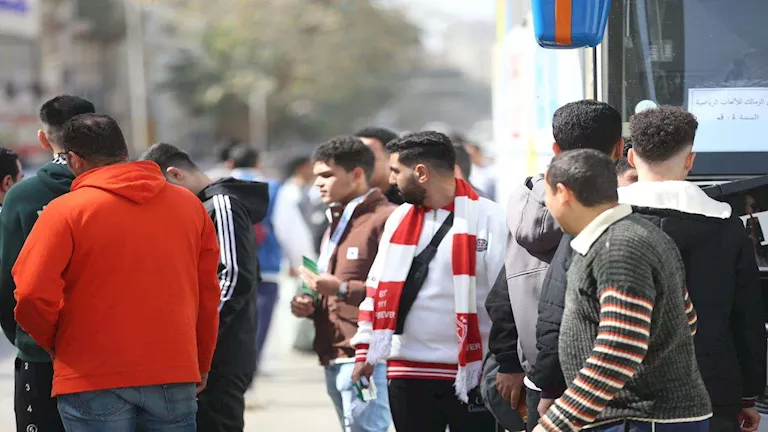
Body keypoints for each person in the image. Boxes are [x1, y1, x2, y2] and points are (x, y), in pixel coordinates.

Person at [12, 114, 221, 431]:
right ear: (123, 151)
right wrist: (201, 360)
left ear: (74, 160)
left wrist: (55, 342)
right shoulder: (190, 207)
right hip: (173, 371)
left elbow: (30, 293)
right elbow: (207, 294)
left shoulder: (65, 211)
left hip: (90, 373)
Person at [534, 149, 712, 432]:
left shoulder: (617, 246)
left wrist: (554, 425)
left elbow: (620, 348)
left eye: (547, 194)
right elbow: (686, 319)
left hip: (641, 419)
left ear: (563, 193)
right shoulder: (635, 234)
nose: (547, 203)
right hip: (641, 417)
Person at [350, 131, 508, 432]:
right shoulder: (399, 219)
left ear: (421, 173)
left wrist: (508, 363)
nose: (391, 180)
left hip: (471, 372)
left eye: (396, 171)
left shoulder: (490, 217)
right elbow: (376, 288)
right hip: (406, 370)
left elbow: (505, 301)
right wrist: (365, 350)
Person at [621, 106, 766, 432]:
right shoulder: (727, 227)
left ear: (631, 158)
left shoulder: (596, 220)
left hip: (616, 395)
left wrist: (551, 387)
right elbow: (747, 318)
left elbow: (561, 307)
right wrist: (748, 394)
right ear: (690, 161)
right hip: (709, 393)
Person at [485, 100, 624, 430]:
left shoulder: (523, 205)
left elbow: (502, 294)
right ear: (620, 149)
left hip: (536, 376)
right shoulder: (619, 210)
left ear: (556, 149)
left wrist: (508, 361)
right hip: (605, 382)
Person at [141, 142, 269, 432]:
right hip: (213, 353)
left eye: (161, 190)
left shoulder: (222, 205)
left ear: (175, 174)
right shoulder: (205, 206)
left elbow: (233, 277)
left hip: (220, 354)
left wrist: (201, 342)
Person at [0, 95, 94, 432]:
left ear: (43, 138)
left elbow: (7, 283)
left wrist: (28, 339)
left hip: (40, 356)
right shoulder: (126, 194)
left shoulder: (23, 197)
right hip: (114, 355)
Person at [291, 136, 395, 432]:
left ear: (356, 174)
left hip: (366, 355)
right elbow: (329, 281)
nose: (318, 184)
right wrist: (309, 301)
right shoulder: (336, 220)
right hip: (333, 352)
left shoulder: (386, 219)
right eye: (316, 176)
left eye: (327, 175)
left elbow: (396, 291)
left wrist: (341, 289)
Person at [228, 145, 283, 373]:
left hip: (230, 265)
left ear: (230, 164)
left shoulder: (219, 186)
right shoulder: (274, 188)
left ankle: (234, 364)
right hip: (267, 264)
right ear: (258, 163)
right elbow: (286, 226)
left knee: (233, 317)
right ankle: (253, 363)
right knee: (261, 317)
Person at [354, 127, 403, 205]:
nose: (357, 164)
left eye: (366, 157)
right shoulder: (342, 202)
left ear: (393, 158)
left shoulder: (410, 202)